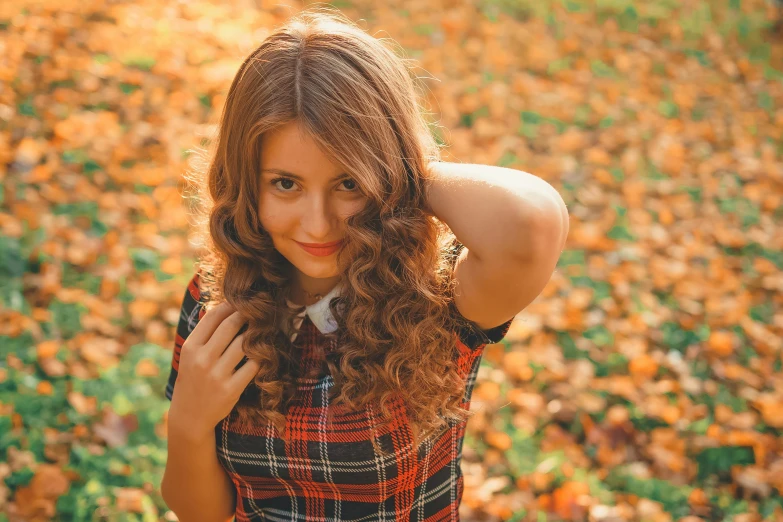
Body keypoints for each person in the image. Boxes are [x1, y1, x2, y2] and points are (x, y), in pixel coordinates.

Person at [160, 7, 568, 522]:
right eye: (286, 183)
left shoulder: (438, 299)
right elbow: (200, 513)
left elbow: (530, 222)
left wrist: (396, 164)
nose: (318, 225)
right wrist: (189, 422)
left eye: (349, 182)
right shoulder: (219, 298)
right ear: (247, 184)